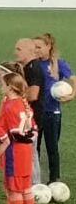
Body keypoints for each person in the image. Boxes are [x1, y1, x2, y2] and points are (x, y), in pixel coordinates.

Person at [0, 69, 39, 204]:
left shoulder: (10, 106)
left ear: (11, 87)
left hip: (15, 152)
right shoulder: (24, 103)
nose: (1, 87)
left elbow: (14, 133)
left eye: (3, 85)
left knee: (14, 192)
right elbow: (34, 129)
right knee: (26, 190)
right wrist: (28, 139)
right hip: (26, 153)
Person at [30, 33, 69, 183]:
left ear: (49, 46)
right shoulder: (34, 65)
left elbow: (73, 79)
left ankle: (54, 180)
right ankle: (35, 179)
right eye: (34, 47)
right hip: (34, 113)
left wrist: (71, 96)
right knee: (35, 148)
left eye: (39, 47)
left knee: (52, 148)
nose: (36, 50)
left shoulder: (58, 64)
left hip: (52, 113)